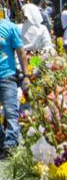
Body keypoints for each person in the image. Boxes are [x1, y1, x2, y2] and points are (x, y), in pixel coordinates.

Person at [0, 11, 29, 156]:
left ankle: (10, 144)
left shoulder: (9, 27)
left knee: (11, 112)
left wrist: (26, 75)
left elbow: (21, 52)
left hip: (7, 76)